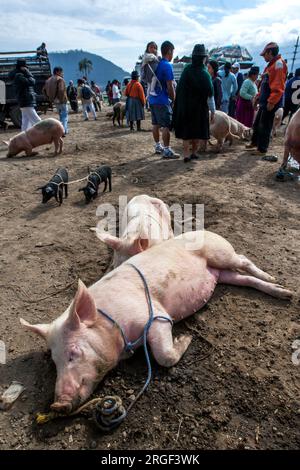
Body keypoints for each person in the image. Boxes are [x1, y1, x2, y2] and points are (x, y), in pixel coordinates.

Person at [173, 44, 214, 163]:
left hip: (185, 106)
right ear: (203, 58)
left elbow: (179, 89)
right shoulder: (204, 73)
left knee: (186, 132)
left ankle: (186, 154)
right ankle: (194, 153)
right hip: (199, 108)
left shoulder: (186, 70)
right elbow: (210, 91)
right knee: (196, 130)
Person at [246, 42, 287, 155]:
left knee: (265, 125)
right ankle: (255, 142)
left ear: (270, 52)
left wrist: (272, 102)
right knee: (257, 122)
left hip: (270, 101)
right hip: (265, 100)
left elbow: (278, 85)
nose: (263, 56)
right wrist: (258, 97)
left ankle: (262, 149)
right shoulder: (270, 65)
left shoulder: (278, 64)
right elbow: (264, 84)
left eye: (265, 54)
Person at [148, 40, 179, 159]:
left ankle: (157, 146)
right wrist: (174, 100)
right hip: (162, 100)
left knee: (155, 124)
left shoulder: (156, 64)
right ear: (169, 51)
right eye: (173, 52)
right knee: (166, 125)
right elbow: (170, 86)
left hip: (153, 99)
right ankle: (166, 150)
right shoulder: (167, 65)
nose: (173, 56)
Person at [9, 58, 41, 131]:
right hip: (26, 100)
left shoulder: (17, 75)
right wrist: (28, 73)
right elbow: (32, 82)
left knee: (26, 121)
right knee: (36, 119)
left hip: (24, 100)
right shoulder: (20, 76)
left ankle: (24, 136)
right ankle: (48, 133)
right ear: (22, 67)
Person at [44, 66, 68, 134]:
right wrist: (61, 99)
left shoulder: (48, 80)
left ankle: (62, 130)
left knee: (61, 115)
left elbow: (43, 90)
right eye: (61, 72)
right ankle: (63, 131)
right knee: (64, 116)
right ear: (58, 72)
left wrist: (49, 98)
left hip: (54, 101)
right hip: (61, 100)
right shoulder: (60, 79)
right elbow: (61, 90)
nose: (62, 73)